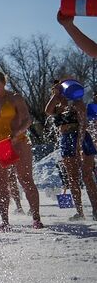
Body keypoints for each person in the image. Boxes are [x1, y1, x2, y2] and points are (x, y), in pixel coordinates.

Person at [0, 67, 42, 231]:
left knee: (25, 179)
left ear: (3, 84)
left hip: (18, 142)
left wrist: (17, 133)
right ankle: (5, 221)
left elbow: (27, 120)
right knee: (1, 184)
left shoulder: (15, 98)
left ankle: (36, 218)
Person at [45, 79, 97, 220]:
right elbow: (47, 110)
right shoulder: (57, 107)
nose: (58, 92)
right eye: (55, 90)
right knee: (72, 178)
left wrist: (79, 143)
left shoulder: (77, 103)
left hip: (81, 138)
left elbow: (83, 124)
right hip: (66, 139)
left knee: (87, 176)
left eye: (60, 89)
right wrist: (56, 96)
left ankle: (95, 209)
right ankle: (80, 212)